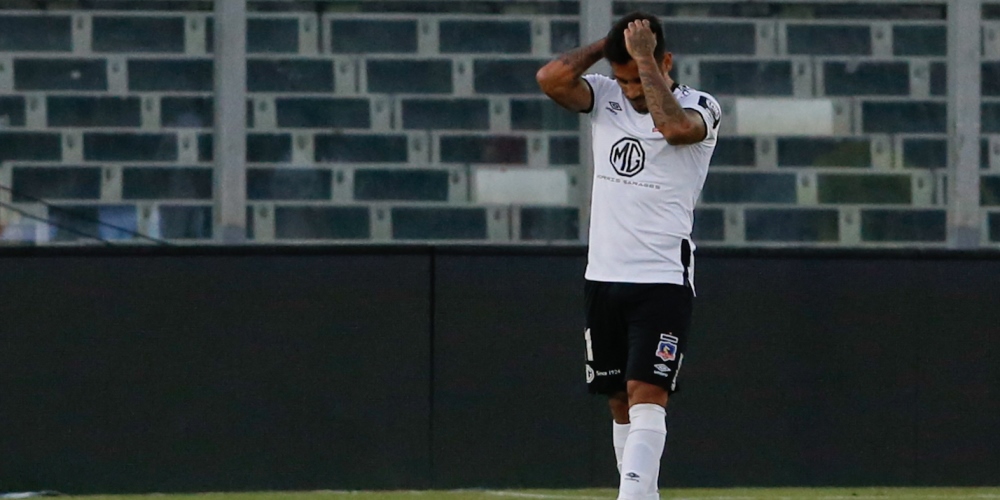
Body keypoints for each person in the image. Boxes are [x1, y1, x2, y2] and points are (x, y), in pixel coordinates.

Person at [536, 11, 721, 500]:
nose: (631, 90)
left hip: (661, 276)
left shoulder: (701, 106)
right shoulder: (605, 97)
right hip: (604, 274)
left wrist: (643, 60)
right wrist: (610, 43)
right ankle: (642, 493)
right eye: (624, 80)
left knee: (648, 393)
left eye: (638, 78)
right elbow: (550, 80)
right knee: (618, 399)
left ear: (666, 62)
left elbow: (674, 129)